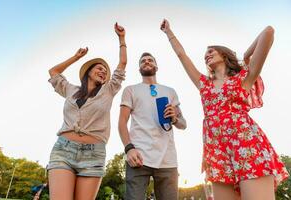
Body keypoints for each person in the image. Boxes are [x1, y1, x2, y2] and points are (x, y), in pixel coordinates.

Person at [160, 19, 289, 200]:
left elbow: (268, 32)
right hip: (217, 153)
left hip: (247, 146)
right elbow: (182, 55)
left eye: (211, 51)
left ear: (224, 54)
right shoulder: (204, 84)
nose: (207, 55)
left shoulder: (244, 77)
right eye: (205, 54)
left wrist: (246, 55)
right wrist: (169, 33)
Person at [47, 23, 127, 200]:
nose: (103, 71)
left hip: (94, 153)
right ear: (88, 72)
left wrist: (121, 38)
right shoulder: (70, 89)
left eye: (105, 71)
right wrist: (76, 57)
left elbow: (122, 64)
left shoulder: (109, 90)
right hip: (63, 150)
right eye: (99, 68)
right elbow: (54, 72)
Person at [118, 52, 187, 200]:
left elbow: (183, 124)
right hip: (138, 157)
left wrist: (174, 118)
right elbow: (122, 122)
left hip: (167, 159)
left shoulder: (170, 91)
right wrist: (129, 149)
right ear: (139, 69)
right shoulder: (131, 90)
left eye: (150, 60)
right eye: (143, 61)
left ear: (156, 66)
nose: (146, 62)